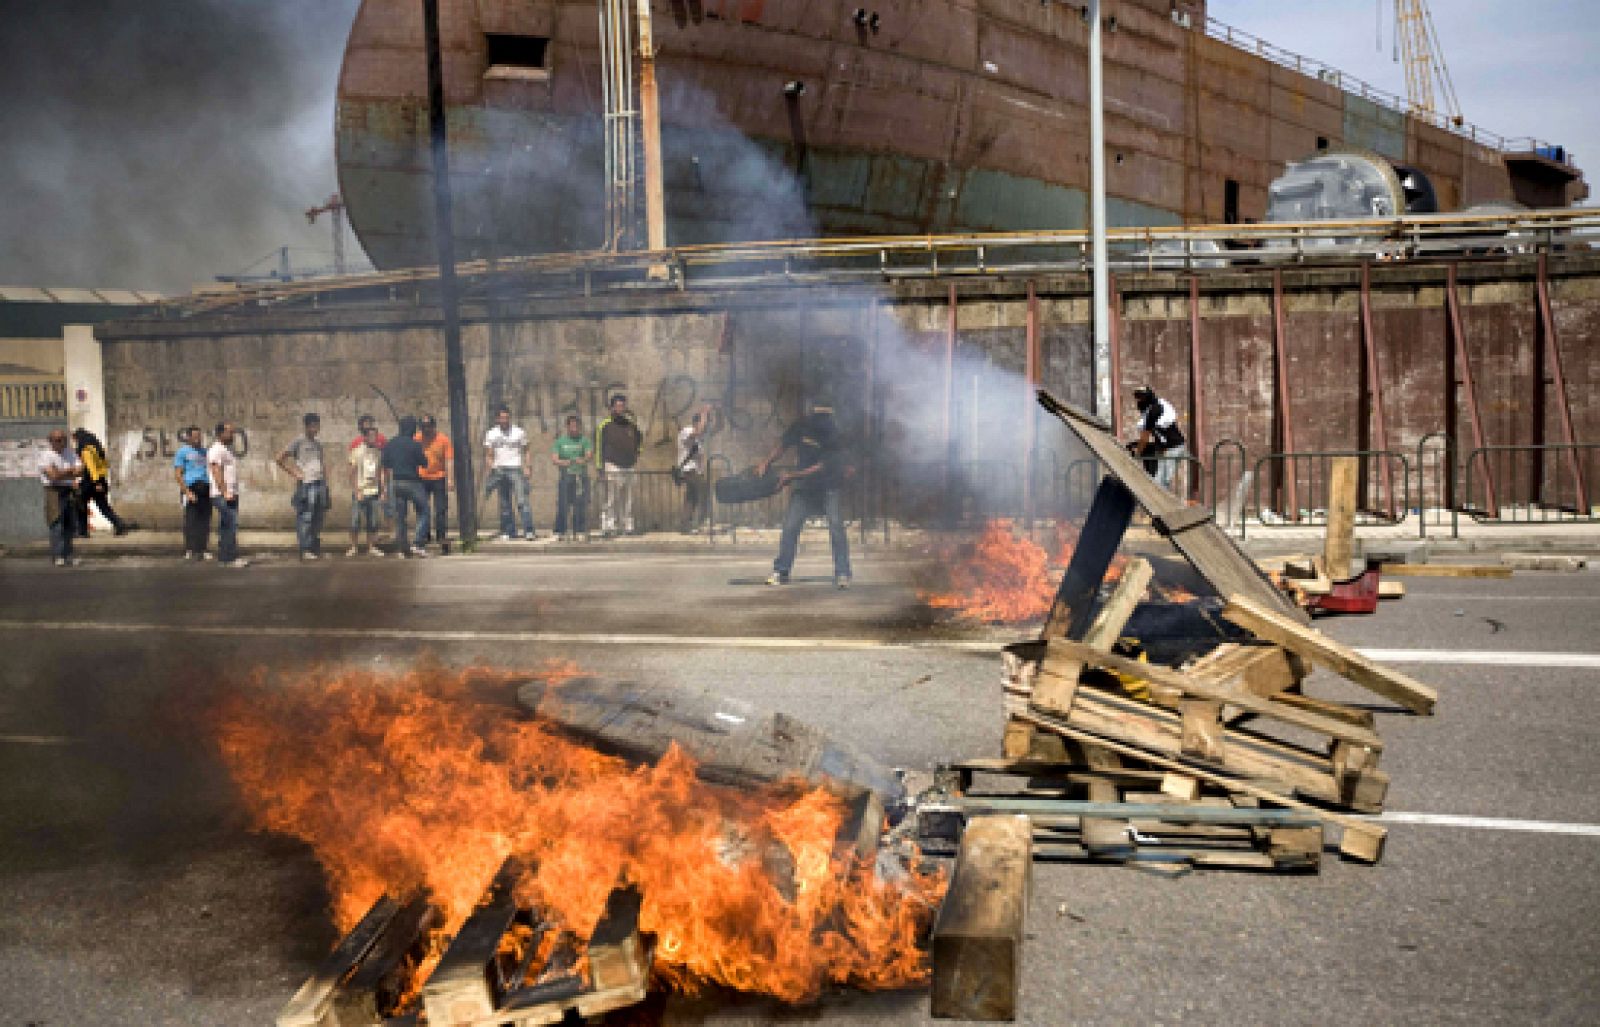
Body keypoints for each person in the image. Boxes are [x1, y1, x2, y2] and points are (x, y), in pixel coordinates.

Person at [760, 398, 852, 589]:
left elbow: (822, 466)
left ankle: (842, 572)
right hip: (804, 488)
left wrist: (792, 475)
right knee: (790, 527)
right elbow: (783, 445)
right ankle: (781, 571)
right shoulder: (802, 426)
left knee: (836, 528)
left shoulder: (834, 432)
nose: (821, 420)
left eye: (824, 416)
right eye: (818, 415)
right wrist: (766, 461)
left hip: (828, 486)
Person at [277, 412, 330, 560]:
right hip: (306, 484)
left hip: (319, 483)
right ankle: (305, 549)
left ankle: (313, 547)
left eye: (317, 426)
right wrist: (294, 473)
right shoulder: (298, 441)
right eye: (312, 426)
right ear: (306, 426)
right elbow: (279, 458)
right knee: (306, 516)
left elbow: (322, 463)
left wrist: (326, 483)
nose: (315, 429)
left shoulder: (318, 444)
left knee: (318, 517)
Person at [483, 404, 536, 541]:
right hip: (499, 469)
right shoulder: (492, 433)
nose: (505, 421)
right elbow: (489, 454)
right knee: (505, 503)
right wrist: (490, 468)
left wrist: (528, 467)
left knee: (522, 501)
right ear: (497, 419)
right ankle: (509, 530)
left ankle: (529, 530)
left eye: (507, 418)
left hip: (515, 468)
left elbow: (527, 450)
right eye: (502, 418)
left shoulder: (518, 432)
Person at [382, 415, 429, 558]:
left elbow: (386, 464)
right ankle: (418, 543)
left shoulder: (390, 444)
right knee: (424, 511)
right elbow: (424, 463)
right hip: (412, 482)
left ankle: (403, 548)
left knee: (400, 516)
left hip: (395, 482)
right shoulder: (415, 445)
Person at [595, 393, 642, 536]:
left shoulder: (631, 424)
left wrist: (636, 454)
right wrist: (599, 466)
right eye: (618, 405)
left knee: (627, 498)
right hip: (612, 463)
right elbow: (599, 446)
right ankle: (608, 526)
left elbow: (639, 440)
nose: (620, 408)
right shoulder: (605, 425)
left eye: (623, 405)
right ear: (612, 407)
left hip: (628, 464)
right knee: (611, 497)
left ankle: (627, 525)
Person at [70, 428, 130, 536]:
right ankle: (119, 524)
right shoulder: (96, 448)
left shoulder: (86, 450)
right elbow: (105, 465)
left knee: (80, 504)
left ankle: (82, 531)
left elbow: (92, 468)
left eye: (75, 439)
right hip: (100, 479)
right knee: (102, 506)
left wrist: (96, 483)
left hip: (91, 481)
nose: (75, 442)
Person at [1128, 385, 1188, 491]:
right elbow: (1155, 435)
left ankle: (1162, 507)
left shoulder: (1154, 411)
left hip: (1173, 448)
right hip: (1169, 447)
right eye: (1137, 397)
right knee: (1160, 482)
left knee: (1160, 483)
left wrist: (1137, 455)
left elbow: (1145, 437)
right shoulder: (1156, 407)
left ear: (1147, 398)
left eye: (1140, 397)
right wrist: (1135, 445)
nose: (1138, 401)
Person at [39, 429, 84, 567]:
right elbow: (53, 476)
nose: (61, 442)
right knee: (56, 524)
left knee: (70, 525)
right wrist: (70, 471)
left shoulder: (69, 453)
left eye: (63, 439)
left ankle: (68, 555)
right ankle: (58, 555)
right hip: (54, 492)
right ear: (51, 441)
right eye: (57, 440)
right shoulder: (46, 456)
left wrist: (62, 472)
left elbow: (81, 470)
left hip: (68, 490)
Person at [207, 421, 249, 568]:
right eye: (229, 432)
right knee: (230, 525)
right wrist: (225, 491)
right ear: (220, 433)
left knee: (226, 526)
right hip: (222, 494)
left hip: (228, 493)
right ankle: (229, 558)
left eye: (233, 432)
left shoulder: (226, 449)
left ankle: (225, 558)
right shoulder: (216, 449)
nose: (232, 435)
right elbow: (216, 470)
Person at [347, 419, 387, 557]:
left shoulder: (378, 452)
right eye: (371, 436)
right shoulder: (356, 452)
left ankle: (371, 546)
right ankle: (354, 546)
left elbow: (380, 471)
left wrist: (383, 490)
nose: (374, 439)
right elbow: (351, 472)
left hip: (374, 490)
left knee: (373, 521)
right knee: (355, 521)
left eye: (375, 436)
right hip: (361, 491)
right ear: (364, 437)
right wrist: (356, 490)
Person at [173, 424, 213, 560]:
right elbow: (178, 474)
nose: (198, 439)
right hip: (191, 487)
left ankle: (203, 548)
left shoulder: (204, 452)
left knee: (205, 520)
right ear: (189, 437)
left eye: (199, 436)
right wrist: (186, 492)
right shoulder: (182, 452)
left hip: (205, 488)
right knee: (191, 520)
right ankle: (189, 549)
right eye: (195, 436)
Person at [550, 414, 592, 541]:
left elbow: (589, 455)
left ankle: (579, 530)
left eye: (576, 425)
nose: (574, 428)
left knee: (580, 504)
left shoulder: (584, 440)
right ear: (567, 427)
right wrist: (564, 462)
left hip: (580, 477)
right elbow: (554, 458)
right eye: (571, 425)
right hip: (566, 477)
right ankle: (560, 531)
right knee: (563, 504)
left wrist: (582, 460)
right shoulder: (560, 441)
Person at [676, 404, 717, 533]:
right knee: (703, 491)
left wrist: (719, 411)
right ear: (696, 422)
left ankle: (685, 524)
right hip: (689, 470)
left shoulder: (700, 437)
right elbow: (698, 431)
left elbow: (718, 427)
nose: (706, 426)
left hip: (696, 471)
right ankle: (702, 521)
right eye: (704, 422)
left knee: (691, 497)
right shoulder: (686, 431)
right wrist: (704, 413)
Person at [416, 414, 454, 552]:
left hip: (438, 477)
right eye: (423, 427)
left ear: (433, 426)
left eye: (428, 427)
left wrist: (450, 479)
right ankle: (425, 535)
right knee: (422, 508)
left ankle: (441, 535)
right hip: (422, 477)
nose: (426, 430)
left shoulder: (443, 440)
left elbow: (449, 460)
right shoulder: (417, 438)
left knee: (440, 509)